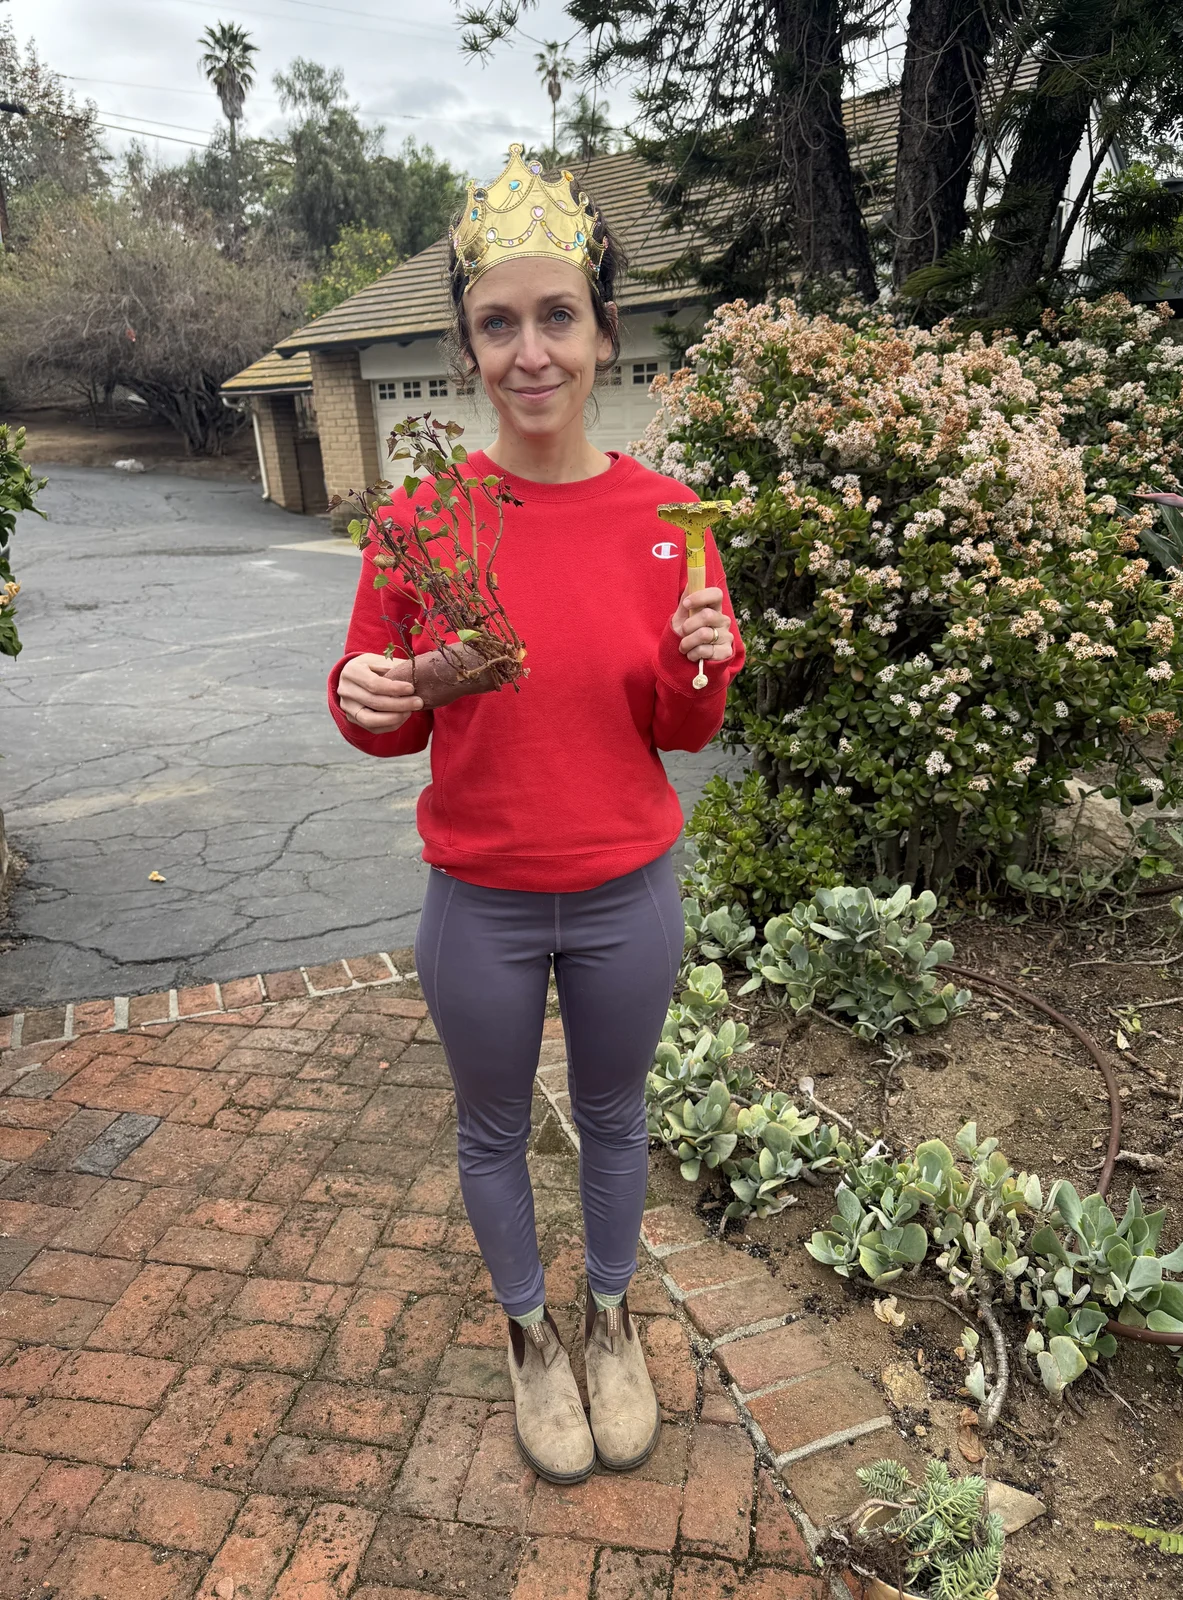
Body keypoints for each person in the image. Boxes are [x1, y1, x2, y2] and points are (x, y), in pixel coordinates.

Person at [329, 143, 744, 1485]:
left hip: (629, 891)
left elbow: (685, 728)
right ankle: (529, 1338)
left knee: (618, 1120)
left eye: (556, 315)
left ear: (605, 332)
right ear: (464, 347)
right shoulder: (422, 522)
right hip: (484, 902)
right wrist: (367, 683)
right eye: (498, 323)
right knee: (495, 1126)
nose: (529, 350)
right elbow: (376, 713)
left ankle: (612, 1318)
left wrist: (705, 660)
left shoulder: (668, 516)